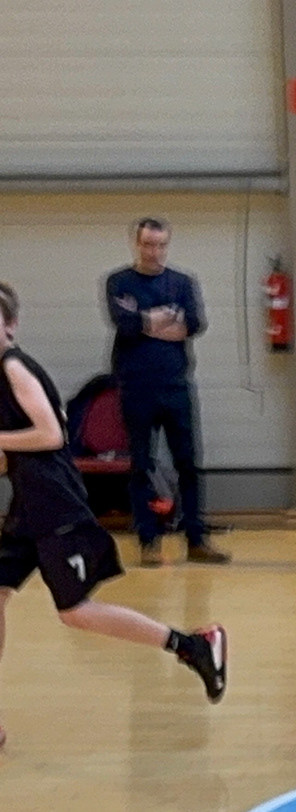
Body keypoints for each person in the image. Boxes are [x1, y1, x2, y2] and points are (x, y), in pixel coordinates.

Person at [0, 282, 227, 751]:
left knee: (75, 613)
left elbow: (49, 435)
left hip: (57, 507)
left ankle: (191, 646)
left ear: (11, 325)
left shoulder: (14, 367)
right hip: (28, 507)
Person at [102, 217, 229, 566]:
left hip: (176, 385)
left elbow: (194, 324)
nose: (154, 252)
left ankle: (196, 539)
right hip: (136, 387)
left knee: (188, 464)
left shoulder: (182, 282)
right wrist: (160, 319)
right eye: (147, 245)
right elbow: (124, 324)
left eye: (160, 245)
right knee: (140, 465)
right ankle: (148, 541)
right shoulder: (119, 282)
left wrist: (146, 322)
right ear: (136, 244)